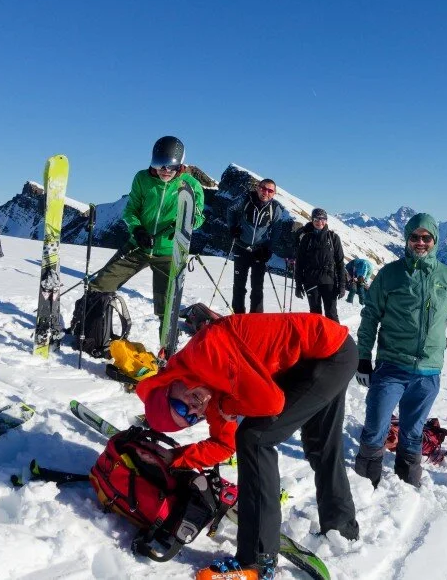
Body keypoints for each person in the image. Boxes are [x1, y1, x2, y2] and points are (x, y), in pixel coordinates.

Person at [136, 313, 360, 579]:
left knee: (255, 438)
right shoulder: (207, 389)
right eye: (189, 418)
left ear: (168, 385)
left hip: (327, 353)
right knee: (321, 443)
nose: (194, 409)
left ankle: (256, 560)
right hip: (328, 353)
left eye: (181, 405)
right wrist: (175, 457)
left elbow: (271, 403)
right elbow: (224, 443)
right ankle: (341, 528)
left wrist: (227, 406)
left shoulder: (204, 355)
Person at [353, 213, 447, 488]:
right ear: (406, 239)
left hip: (428, 371)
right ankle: (363, 486)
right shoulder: (390, 274)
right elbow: (371, 316)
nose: (420, 242)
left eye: (426, 237)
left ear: (435, 241)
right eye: (414, 237)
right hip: (391, 365)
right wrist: (362, 357)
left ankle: (407, 486)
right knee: (376, 426)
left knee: (413, 432)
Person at [89, 136, 205, 341]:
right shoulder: (142, 178)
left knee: (167, 305)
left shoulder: (191, 185)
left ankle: (166, 346)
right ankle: (88, 331)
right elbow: (131, 210)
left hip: (169, 253)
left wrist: (183, 227)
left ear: (180, 165)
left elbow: (198, 218)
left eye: (170, 166)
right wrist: (137, 230)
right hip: (138, 247)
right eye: (159, 165)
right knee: (100, 285)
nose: (164, 171)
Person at [227, 179, 287, 314]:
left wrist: (268, 249)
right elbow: (230, 209)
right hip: (241, 247)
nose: (265, 192)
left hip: (259, 252)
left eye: (270, 190)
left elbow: (277, 230)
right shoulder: (245, 200)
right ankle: (238, 315)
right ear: (257, 188)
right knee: (239, 285)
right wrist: (232, 228)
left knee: (257, 286)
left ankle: (256, 317)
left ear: (274, 193)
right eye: (263, 188)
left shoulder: (275, 208)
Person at [293, 208, 345, 323]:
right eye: (316, 219)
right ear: (312, 220)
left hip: (329, 281)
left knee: (331, 314)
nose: (319, 222)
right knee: (315, 315)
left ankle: (336, 340)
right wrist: (298, 284)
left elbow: (340, 262)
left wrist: (342, 284)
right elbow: (300, 262)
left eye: (322, 219)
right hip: (311, 281)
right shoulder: (306, 238)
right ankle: (317, 340)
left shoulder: (333, 238)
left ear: (326, 220)